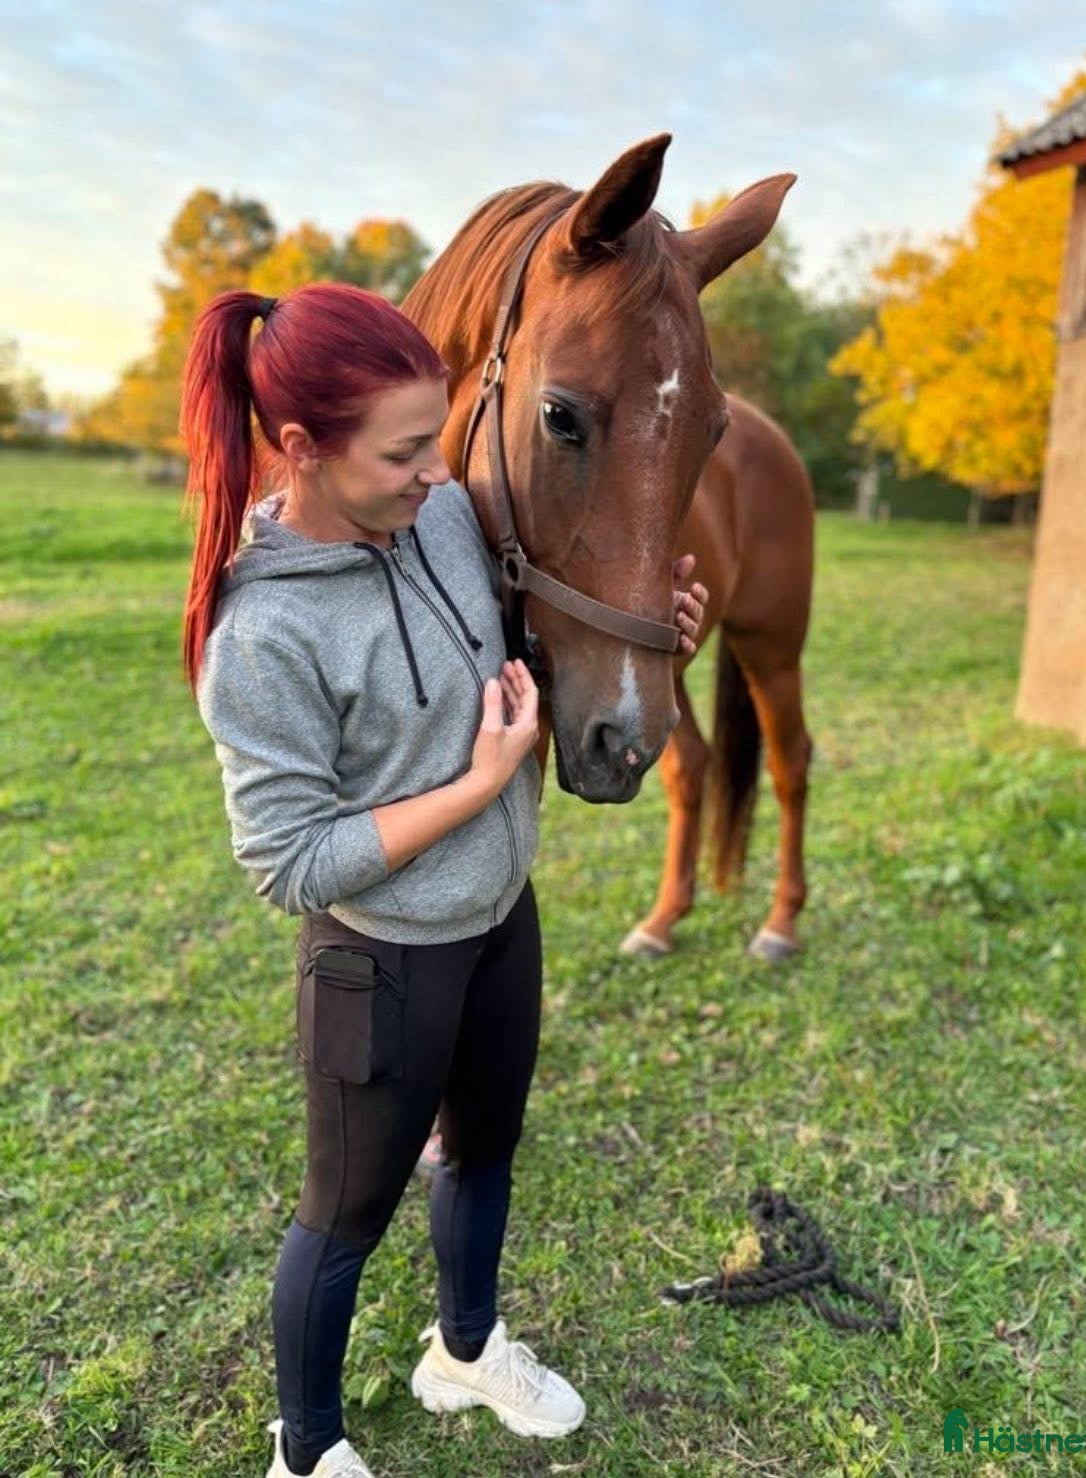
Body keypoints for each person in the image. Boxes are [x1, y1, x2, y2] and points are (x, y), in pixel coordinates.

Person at [182, 281, 707, 1478]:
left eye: (440, 438)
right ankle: (306, 1450)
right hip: (380, 958)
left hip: (498, 921)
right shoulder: (259, 639)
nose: (438, 474)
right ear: (304, 448)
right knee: (343, 1216)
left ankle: (464, 1349)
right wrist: (475, 788)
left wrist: (657, 636)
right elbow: (289, 860)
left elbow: (522, 658)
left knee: (485, 1147)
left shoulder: (450, 523)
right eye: (406, 451)